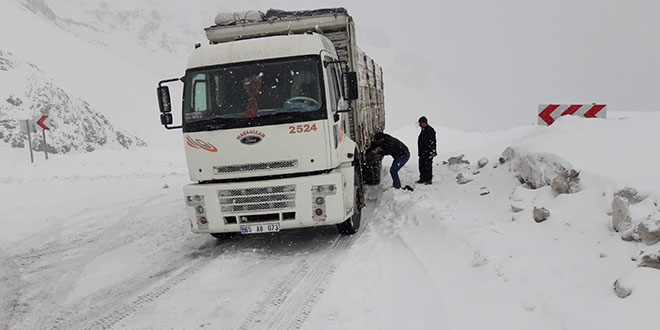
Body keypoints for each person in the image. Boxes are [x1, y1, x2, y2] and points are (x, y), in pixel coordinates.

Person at [416, 116, 437, 185]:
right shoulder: (423, 130)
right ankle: (422, 178)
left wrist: (433, 151)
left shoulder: (430, 130)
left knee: (427, 166)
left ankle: (428, 179)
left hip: (428, 152)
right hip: (422, 152)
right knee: (422, 165)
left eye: (420, 123)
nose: (419, 125)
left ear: (424, 123)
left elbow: (433, 141)